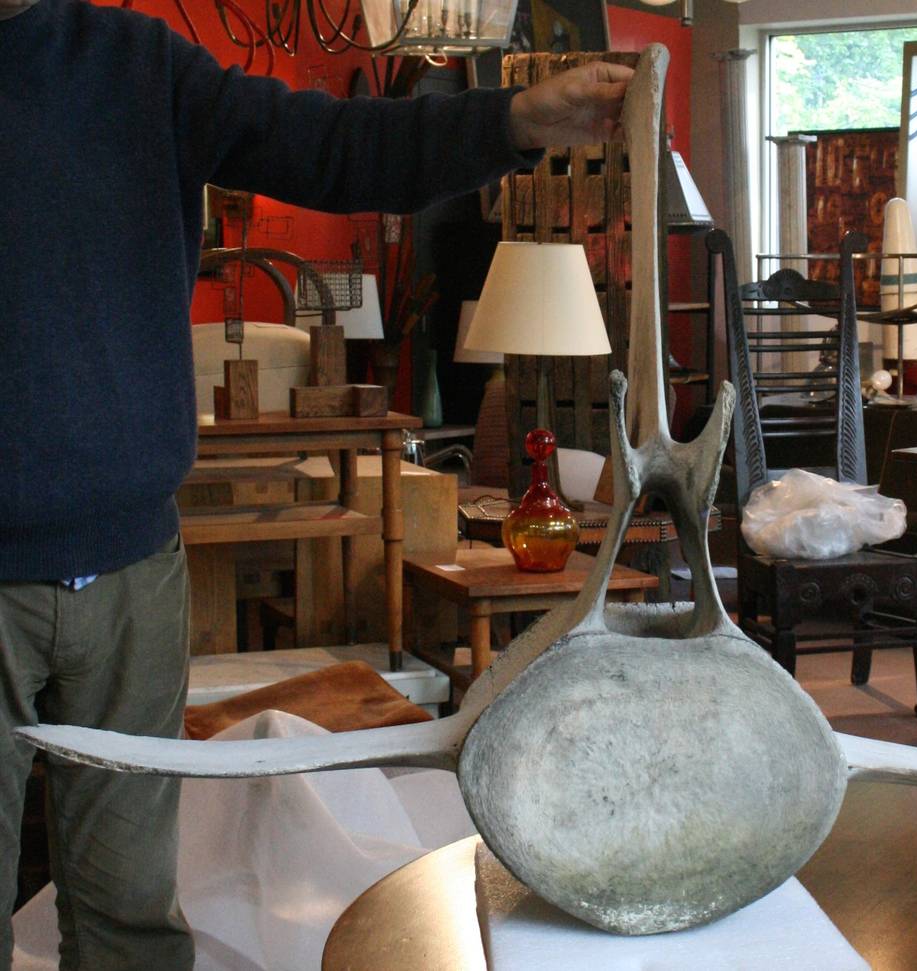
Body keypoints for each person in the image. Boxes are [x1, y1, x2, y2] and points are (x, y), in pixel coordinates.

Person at [0, 0, 632, 967]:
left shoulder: (131, 61)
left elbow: (329, 143)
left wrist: (510, 122)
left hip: (132, 564)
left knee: (128, 912)